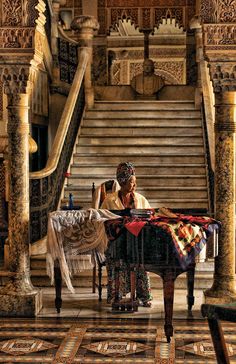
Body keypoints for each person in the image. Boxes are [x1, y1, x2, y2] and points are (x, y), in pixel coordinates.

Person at [101, 162, 152, 307]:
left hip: (136, 242)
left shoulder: (141, 199)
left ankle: (144, 296)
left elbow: (150, 217)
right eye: (131, 182)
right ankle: (116, 295)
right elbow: (103, 220)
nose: (135, 185)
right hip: (117, 242)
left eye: (135, 182)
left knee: (140, 259)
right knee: (116, 258)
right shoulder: (109, 200)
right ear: (122, 182)